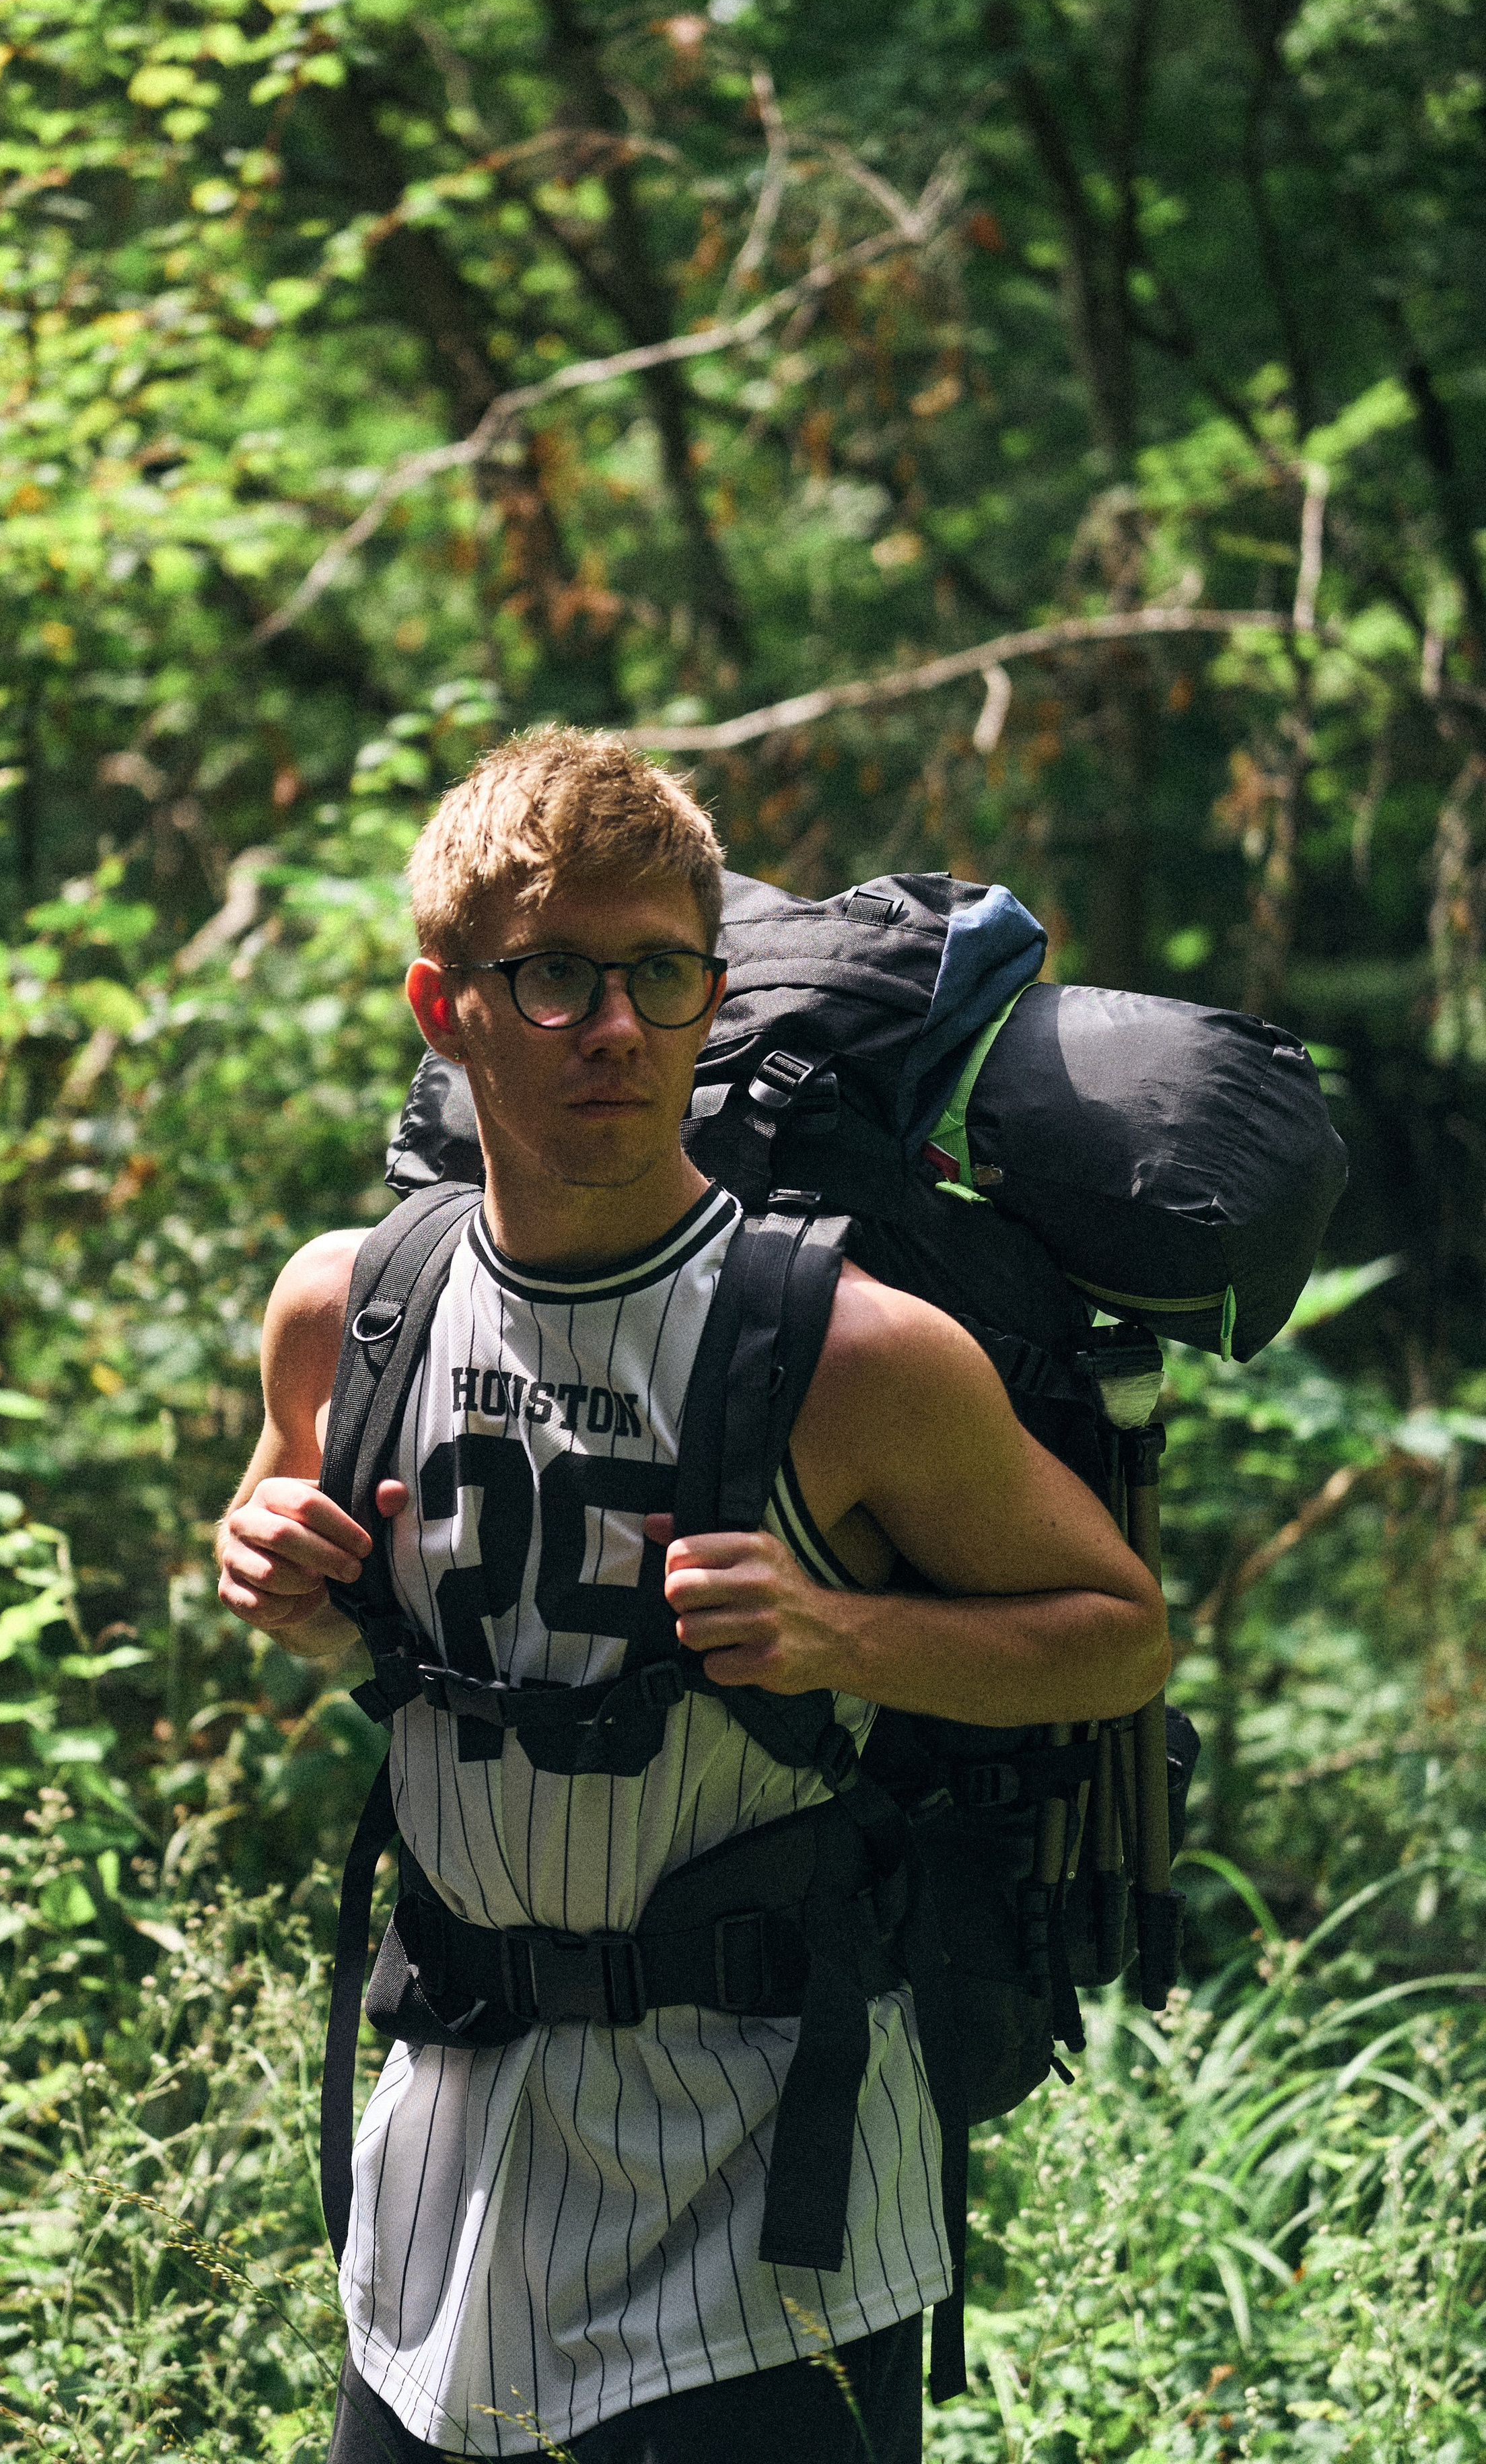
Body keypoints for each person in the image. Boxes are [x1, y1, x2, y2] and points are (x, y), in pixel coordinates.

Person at [215, 729, 1167, 2463]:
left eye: (663, 973)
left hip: (770, 2195)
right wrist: (269, 1565)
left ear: (714, 997)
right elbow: (291, 1529)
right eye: (558, 975)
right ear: (448, 1009)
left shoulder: (851, 1355)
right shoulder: (350, 1308)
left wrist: (841, 1635)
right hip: (448, 2175)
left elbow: (1119, 1637)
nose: (619, 1027)